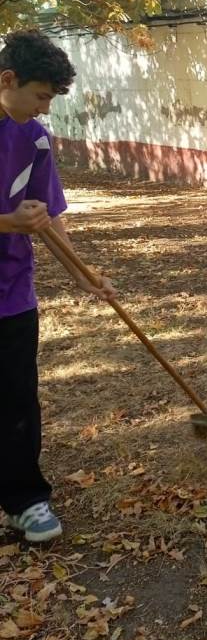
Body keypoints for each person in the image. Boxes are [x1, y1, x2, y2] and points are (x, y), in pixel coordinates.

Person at [0, 29, 114, 543]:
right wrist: (8, 223)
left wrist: (81, 273)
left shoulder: (35, 139)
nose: (45, 109)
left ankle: (26, 499)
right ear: (8, 80)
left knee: (18, 396)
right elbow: (19, 219)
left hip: (13, 289)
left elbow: (49, 213)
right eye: (41, 95)